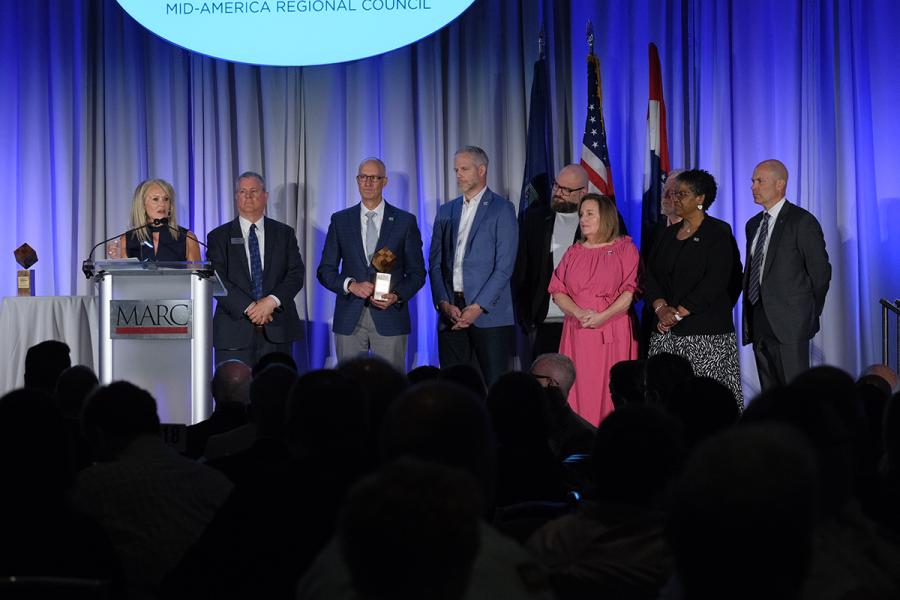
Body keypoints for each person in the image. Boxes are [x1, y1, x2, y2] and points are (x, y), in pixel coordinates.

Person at [645, 169, 744, 408]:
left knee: (706, 407)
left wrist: (678, 313)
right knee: (667, 403)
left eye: (683, 194)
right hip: (666, 335)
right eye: (674, 193)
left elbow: (717, 281)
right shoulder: (666, 234)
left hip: (705, 334)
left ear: (700, 199)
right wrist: (661, 309)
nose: (675, 198)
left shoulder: (718, 232)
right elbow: (650, 275)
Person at [317, 157, 426, 371]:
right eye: (363, 177)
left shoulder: (405, 221)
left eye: (374, 178)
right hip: (349, 317)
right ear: (357, 180)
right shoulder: (340, 220)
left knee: (391, 388)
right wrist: (350, 285)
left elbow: (417, 273)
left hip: (390, 316)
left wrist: (396, 296)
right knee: (349, 387)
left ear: (384, 182)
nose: (367, 182)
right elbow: (325, 270)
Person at [429, 146, 518, 387]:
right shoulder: (447, 210)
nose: (458, 174)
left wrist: (477, 307)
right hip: (451, 312)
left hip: (488, 314)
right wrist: (443, 303)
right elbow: (435, 263)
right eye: (456, 169)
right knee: (452, 387)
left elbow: (504, 266)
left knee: (494, 387)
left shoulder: (502, 208)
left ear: (481, 170)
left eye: (464, 169)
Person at [547, 193, 639, 425]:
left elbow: (630, 292)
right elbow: (557, 290)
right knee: (580, 386)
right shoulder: (573, 252)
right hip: (577, 329)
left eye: (590, 214)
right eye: (581, 215)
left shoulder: (625, 249)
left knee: (610, 387)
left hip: (612, 328)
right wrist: (579, 313)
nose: (583, 219)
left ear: (606, 217)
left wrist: (602, 316)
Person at [742, 159, 831, 391]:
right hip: (759, 320)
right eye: (753, 181)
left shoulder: (802, 221)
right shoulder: (753, 224)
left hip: (791, 325)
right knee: (770, 395)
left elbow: (820, 274)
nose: (753, 187)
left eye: (759, 181)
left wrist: (808, 313)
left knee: (795, 394)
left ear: (780, 184)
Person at [206, 171, 305, 368]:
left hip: (277, 328)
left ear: (265, 196)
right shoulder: (218, 236)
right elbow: (216, 278)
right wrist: (251, 308)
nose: (248, 196)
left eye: (253, 191)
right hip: (233, 331)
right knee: (233, 395)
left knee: (277, 393)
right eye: (242, 191)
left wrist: (270, 302)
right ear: (236, 197)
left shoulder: (284, 233)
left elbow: (296, 274)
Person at [514, 164, 589, 359]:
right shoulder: (535, 218)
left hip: (584, 320)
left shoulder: (599, 220)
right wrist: (524, 312)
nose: (558, 193)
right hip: (545, 319)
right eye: (556, 186)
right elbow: (522, 268)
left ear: (583, 192)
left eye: (566, 190)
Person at [109, 178, 201, 262]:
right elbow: (124, 278)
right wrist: (118, 261)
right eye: (155, 199)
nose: (162, 204)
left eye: (166, 199)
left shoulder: (187, 238)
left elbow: (197, 277)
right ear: (142, 205)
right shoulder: (126, 240)